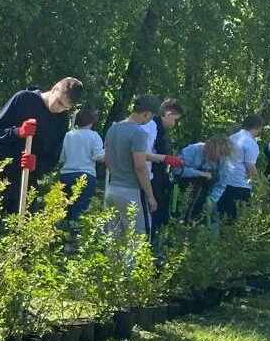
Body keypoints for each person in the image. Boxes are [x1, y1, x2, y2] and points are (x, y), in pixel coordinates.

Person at [0, 77, 82, 282]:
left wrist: (37, 164)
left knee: (23, 236)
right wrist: (17, 132)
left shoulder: (61, 120)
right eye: (58, 102)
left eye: (64, 108)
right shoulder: (24, 99)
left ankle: (11, 290)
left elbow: (53, 157)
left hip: (27, 180)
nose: (58, 109)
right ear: (55, 88)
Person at [102, 95, 183, 238]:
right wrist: (151, 196)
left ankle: (114, 261)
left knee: (114, 237)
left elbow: (107, 159)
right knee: (140, 236)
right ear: (146, 113)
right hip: (133, 191)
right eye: (151, 116)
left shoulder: (113, 129)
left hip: (112, 188)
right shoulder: (138, 133)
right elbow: (140, 167)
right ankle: (133, 262)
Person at [57, 107, 104, 223]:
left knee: (65, 209)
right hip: (86, 175)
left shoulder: (68, 135)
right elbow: (98, 157)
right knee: (80, 210)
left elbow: (61, 157)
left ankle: (63, 232)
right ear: (91, 121)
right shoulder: (94, 136)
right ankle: (74, 235)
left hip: (66, 175)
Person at [214, 114, 263, 221]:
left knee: (223, 220)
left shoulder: (231, 138)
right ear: (256, 127)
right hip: (240, 186)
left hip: (224, 183)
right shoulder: (250, 143)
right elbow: (250, 167)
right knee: (238, 221)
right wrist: (259, 186)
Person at [171, 136, 228, 223]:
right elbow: (176, 170)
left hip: (205, 198)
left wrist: (212, 199)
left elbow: (221, 184)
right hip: (183, 194)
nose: (218, 158)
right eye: (216, 155)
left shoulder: (223, 161)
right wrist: (199, 173)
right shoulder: (192, 150)